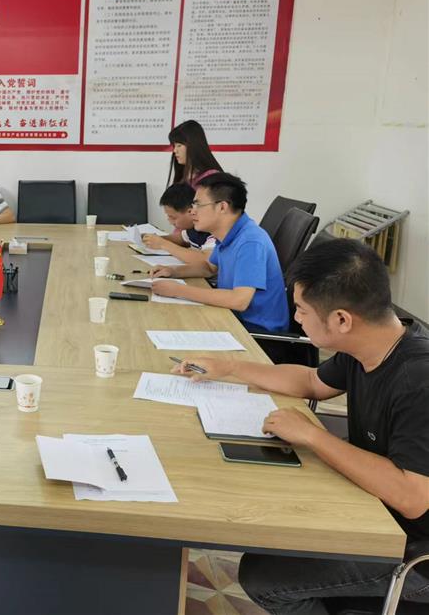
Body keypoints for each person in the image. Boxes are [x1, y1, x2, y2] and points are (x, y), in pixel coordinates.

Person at [172, 239, 429, 613]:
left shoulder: (418, 381)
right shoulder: (372, 343)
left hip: (415, 551)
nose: (296, 318)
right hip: (374, 508)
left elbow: (412, 497)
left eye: (302, 310)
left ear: (341, 320)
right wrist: (228, 367)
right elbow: (311, 381)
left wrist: (311, 435)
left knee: (264, 578)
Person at [150, 173, 289, 333]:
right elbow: (209, 268)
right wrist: (173, 271)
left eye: (198, 205)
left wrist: (178, 290)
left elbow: (239, 300)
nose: (192, 211)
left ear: (222, 207)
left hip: (255, 331)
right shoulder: (228, 233)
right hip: (231, 317)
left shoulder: (250, 242)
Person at [141, 183, 214, 269]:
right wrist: (154, 239)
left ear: (190, 211)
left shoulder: (211, 232)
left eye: (173, 217)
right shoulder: (192, 228)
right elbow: (180, 238)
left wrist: (163, 244)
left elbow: (205, 261)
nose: (170, 222)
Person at [167, 120, 223, 188]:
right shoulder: (183, 178)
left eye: (179, 145)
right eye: (174, 146)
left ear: (193, 145)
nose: (175, 151)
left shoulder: (211, 177)